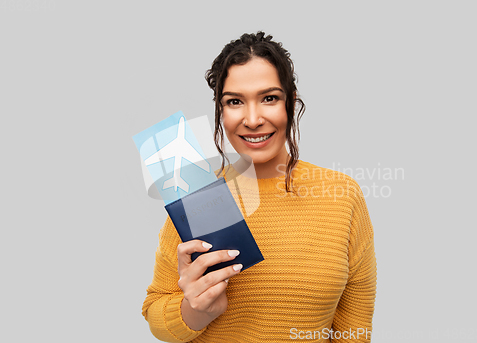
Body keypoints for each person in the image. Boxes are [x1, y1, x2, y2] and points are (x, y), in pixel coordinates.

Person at [142, 31, 376, 342]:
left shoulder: (342, 195)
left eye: (269, 98)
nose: (252, 119)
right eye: (235, 102)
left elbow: (355, 328)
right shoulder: (196, 196)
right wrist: (197, 310)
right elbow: (156, 312)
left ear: (290, 104)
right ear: (221, 112)